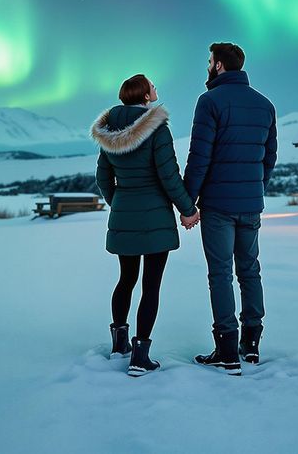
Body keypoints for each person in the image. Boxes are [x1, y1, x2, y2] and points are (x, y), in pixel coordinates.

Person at [91, 73, 200, 377]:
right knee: (151, 285)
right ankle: (140, 357)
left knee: (126, 279)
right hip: (155, 219)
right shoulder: (157, 128)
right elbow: (169, 176)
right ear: (145, 95)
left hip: (124, 212)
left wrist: (120, 204)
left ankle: (119, 345)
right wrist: (188, 210)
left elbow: (103, 178)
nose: (156, 89)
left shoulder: (109, 131)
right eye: (152, 86)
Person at [182, 42, 277, 376]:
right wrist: (255, 188)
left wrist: (187, 200)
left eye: (209, 61)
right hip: (251, 205)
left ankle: (226, 349)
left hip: (219, 206)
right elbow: (269, 157)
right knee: (250, 270)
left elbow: (199, 156)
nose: (208, 66)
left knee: (220, 273)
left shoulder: (209, 102)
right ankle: (251, 345)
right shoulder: (265, 105)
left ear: (219, 66)